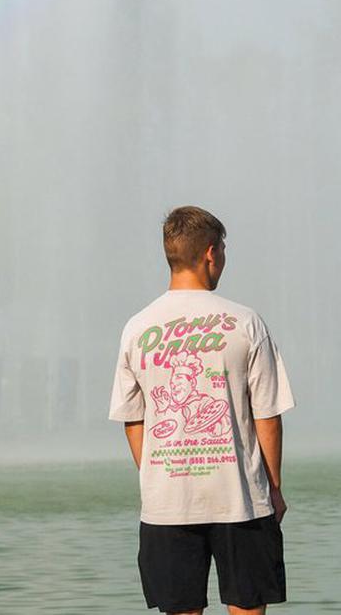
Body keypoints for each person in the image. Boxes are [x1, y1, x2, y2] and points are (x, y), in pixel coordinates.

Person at [109, 206, 294, 615]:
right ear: (211, 253)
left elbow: (133, 420)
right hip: (242, 499)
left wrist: (158, 472)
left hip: (167, 502)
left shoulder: (137, 327)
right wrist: (274, 487)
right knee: (248, 607)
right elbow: (266, 415)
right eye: (223, 250)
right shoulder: (246, 322)